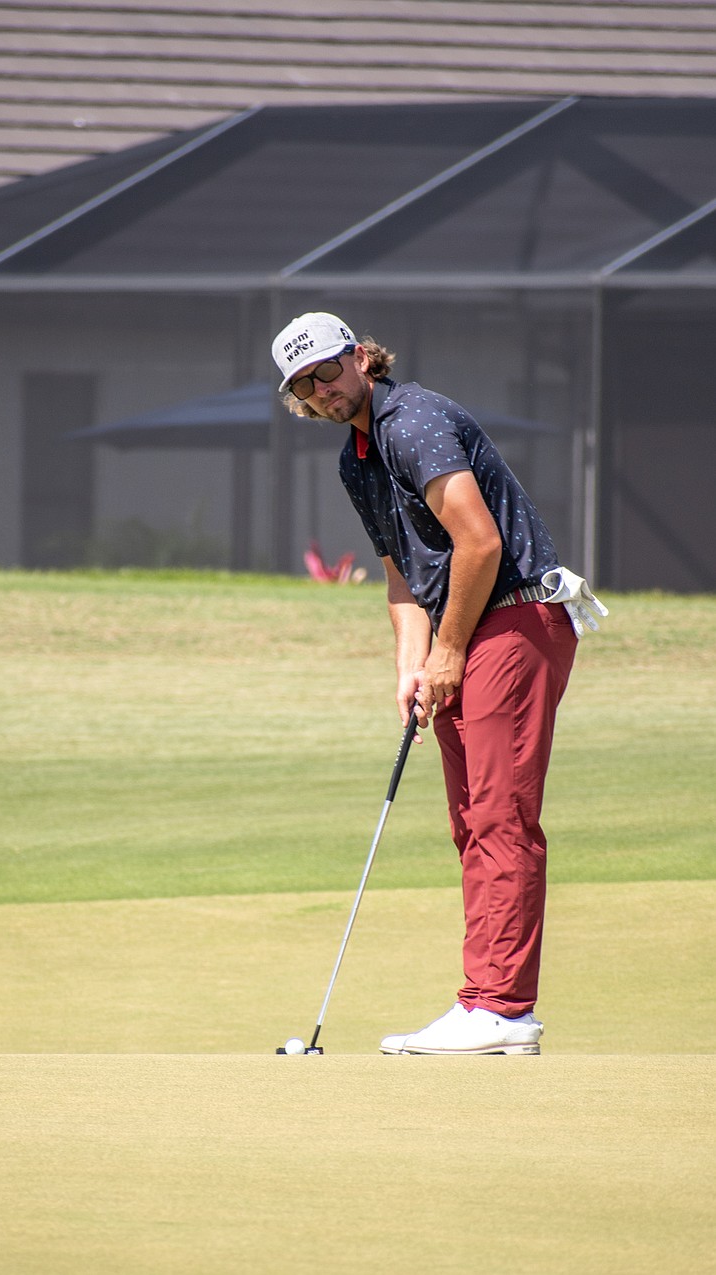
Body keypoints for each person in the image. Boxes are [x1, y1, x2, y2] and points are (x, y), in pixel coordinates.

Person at [270, 311, 607, 1056]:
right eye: (304, 387)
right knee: (472, 821)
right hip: (469, 629)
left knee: (500, 816)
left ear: (360, 357)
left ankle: (504, 1009)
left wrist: (447, 650)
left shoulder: (409, 418)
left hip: (514, 616)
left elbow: (480, 542)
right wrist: (411, 666)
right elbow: (400, 576)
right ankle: (485, 999)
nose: (322, 391)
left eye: (328, 371)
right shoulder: (356, 458)